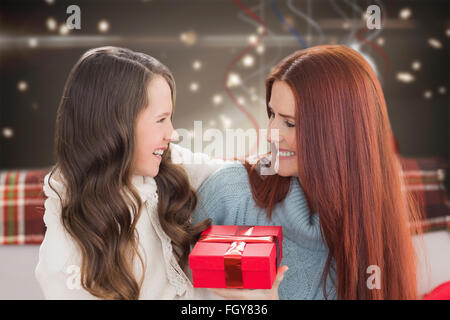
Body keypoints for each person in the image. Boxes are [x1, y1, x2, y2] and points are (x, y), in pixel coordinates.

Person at [35, 46, 287, 299]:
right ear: (114, 128)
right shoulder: (67, 254)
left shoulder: (165, 164)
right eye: (160, 120)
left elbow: (233, 175)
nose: (173, 134)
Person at [193, 45, 423, 300]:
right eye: (272, 115)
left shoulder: (374, 237)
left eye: (289, 123)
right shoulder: (231, 192)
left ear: (338, 134)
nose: (270, 134)